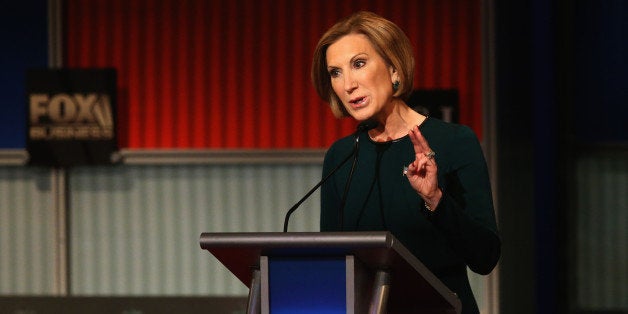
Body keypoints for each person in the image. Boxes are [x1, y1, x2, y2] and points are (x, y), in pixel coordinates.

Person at [311, 11, 500, 313]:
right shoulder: (341, 156)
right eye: (335, 72)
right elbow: (335, 264)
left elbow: (485, 256)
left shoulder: (455, 142)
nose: (348, 84)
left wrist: (435, 200)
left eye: (358, 64)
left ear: (394, 68)